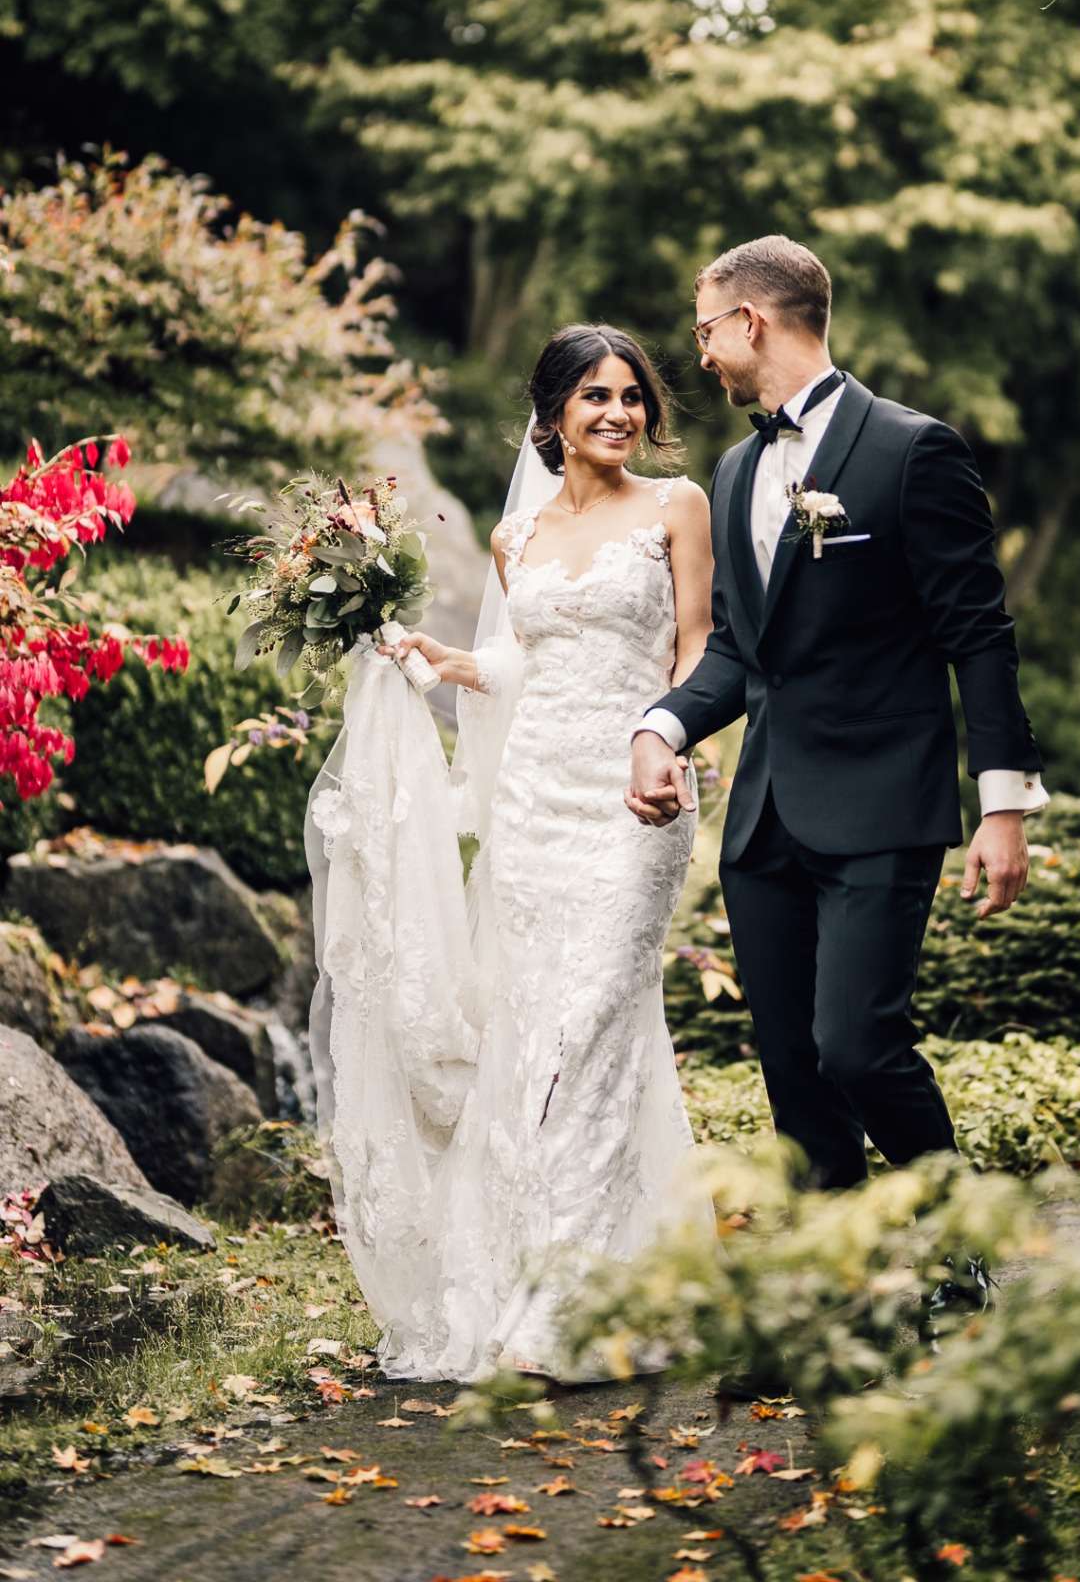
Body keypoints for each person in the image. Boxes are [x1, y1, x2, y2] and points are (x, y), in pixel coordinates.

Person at [306, 324, 714, 1382]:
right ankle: (584, 1276)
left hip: (636, 797)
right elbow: (526, 660)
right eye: (594, 396)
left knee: (592, 1024)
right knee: (536, 1033)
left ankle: (567, 1308)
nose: (618, 412)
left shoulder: (677, 507)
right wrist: (451, 662)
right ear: (553, 415)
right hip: (533, 803)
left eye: (631, 394)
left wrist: (667, 738)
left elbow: (698, 645)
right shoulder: (512, 540)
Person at [627, 236, 1048, 1220]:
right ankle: (829, 1295)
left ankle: (963, 1259)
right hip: (766, 822)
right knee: (796, 1078)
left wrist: (1004, 805)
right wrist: (660, 726)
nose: (701, 356)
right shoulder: (733, 473)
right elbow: (737, 648)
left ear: (752, 322)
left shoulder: (913, 449)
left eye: (705, 331)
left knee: (858, 1046)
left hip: (881, 808)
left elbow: (979, 636)